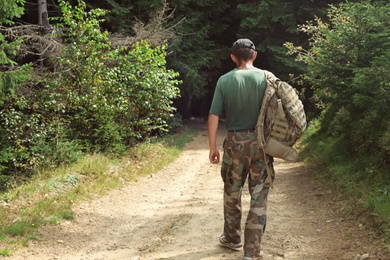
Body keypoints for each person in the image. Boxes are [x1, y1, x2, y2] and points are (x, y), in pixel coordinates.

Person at [208, 38, 275, 260]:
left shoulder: (224, 80)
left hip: (234, 144)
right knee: (259, 195)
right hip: (262, 144)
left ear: (233, 57)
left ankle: (232, 238)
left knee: (232, 192)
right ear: (254, 55)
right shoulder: (267, 78)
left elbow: (214, 115)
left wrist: (213, 147)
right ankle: (252, 250)